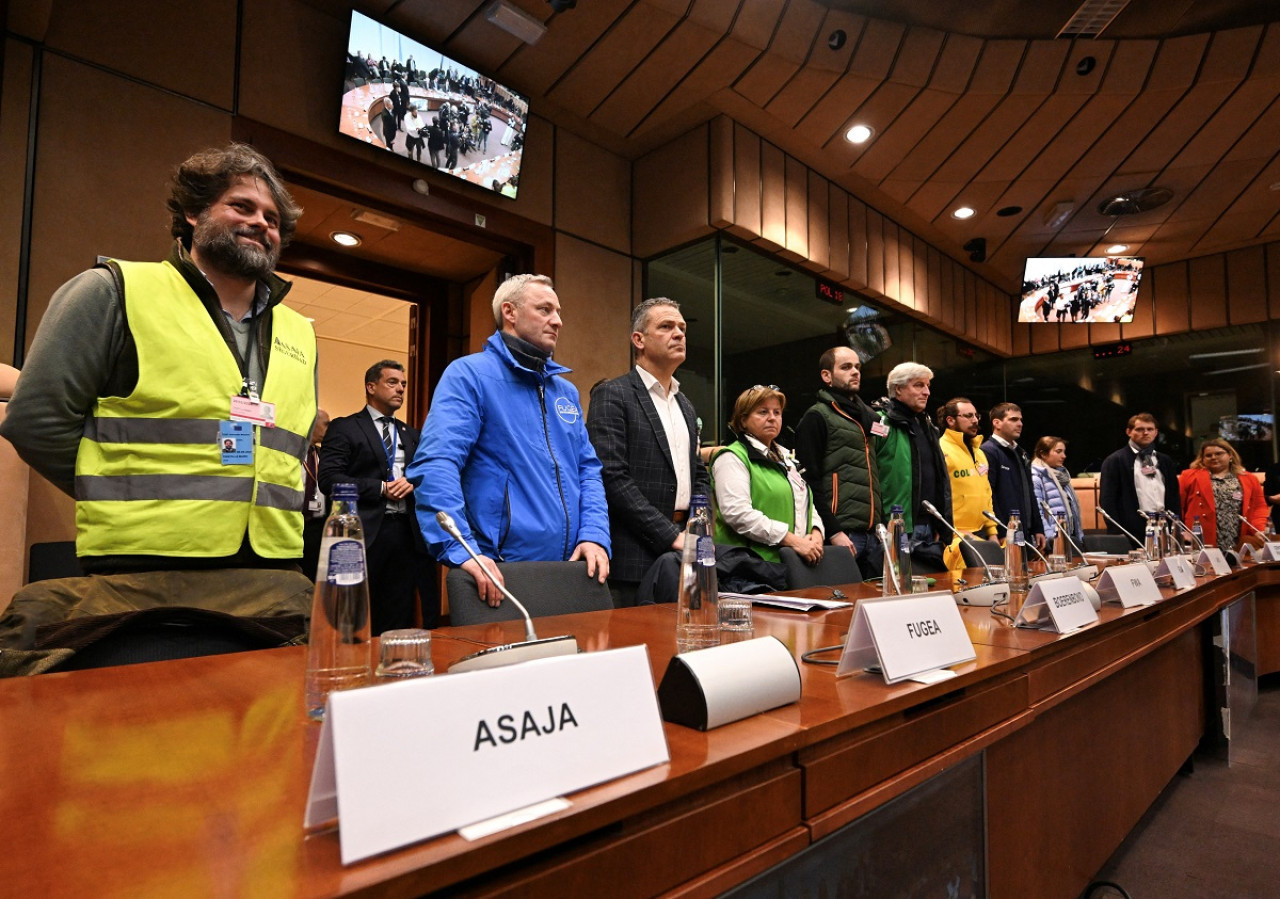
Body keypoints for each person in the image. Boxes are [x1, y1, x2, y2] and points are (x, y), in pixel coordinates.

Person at [0, 144, 316, 654]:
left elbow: (290, 449)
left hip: (273, 585)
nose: (261, 223)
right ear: (192, 214)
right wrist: (119, 491)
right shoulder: (111, 292)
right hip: (140, 579)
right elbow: (35, 421)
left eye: (272, 217)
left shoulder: (302, 333)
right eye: (242, 206)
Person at [409, 274, 610, 607]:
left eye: (558, 312)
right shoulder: (469, 375)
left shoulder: (566, 392)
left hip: (571, 571)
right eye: (544, 309)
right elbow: (437, 462)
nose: (557, 321)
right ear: (509, 313)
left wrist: (594, 535)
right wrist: (463, 550)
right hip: (502, 571)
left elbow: (587, 470)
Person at [587, 298, 708, 607]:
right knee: (636, 650)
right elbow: (612, 478)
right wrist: (671, 536)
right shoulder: (613, 395)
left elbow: (700, 476)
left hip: (688, 549)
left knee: (687, 646)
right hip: (635, 559)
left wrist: (698, 532)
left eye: (682, 328)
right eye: (666, 326)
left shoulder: (685, 404)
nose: (679, 333)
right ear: (638, 340)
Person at [319, 361, 438, 632]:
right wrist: (381, 488)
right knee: (354, 614)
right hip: (364, 532)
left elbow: (429, 475)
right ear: (371, 387)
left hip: (407, 533)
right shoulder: (345, 427)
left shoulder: (412, 434)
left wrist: (412, 482)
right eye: (392, 382)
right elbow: (329, 479)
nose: (400, 389)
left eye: (404, 384)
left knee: (400, 613)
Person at [794, 346, 883, 577]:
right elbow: (808, 482)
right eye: (846, 367)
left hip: (873, 533)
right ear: (827, 376)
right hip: (841, 533)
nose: (855, 372)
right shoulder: (817, 416)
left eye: (857, 367)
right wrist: (833, 531)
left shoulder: (869, 418)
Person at [710, 386, 823, 564]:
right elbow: (738, 514)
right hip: (750, 568)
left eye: (777, 412)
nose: (772, 418)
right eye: (763, 412)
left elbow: (804, 502)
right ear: (743, 420)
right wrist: (793, 541)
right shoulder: (732, 457)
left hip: (793, 563)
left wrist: (816, 533)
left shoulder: (786, 457)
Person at [873, 362, 951, 571]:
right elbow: (868, 475)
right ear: (898, 389)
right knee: (896, 592)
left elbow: (940, 479)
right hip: (896, 526)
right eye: (918, 385)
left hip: (928, 526)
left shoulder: (928, 425)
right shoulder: (880, 422)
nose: (926, 392)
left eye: (927, 386)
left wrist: (940, 525)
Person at [1099, 413, 1181, 541]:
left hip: (1164, 525)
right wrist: (1117, 533)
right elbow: (1108, 500)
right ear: (1128, 432)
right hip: (1131, 529)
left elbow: (1174, 497)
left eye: (1150, 429)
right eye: (1140, 429)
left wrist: (1176, 525)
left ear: (1156, 432)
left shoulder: (1165, 460)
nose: (1145, 433)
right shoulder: (1115, 460)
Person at [1178, 439, 1267, 551]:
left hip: (1237, 536)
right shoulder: (1189, 476)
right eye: (1208, 455)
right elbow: (1178, 505)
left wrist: (1259, 529)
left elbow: (1259, 507)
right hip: (1201, 536)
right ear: (1202, 459)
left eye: (1219, 453)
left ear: (1230, 455)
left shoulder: (1249, 479)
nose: (1213, 457)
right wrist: (1181, 530)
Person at [981, 403, 1045, 547]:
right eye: (1013, 420)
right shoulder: (987, 451)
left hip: (1024, 531)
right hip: (1006, 533)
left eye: (1021, 420)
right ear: (996, 423)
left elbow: (1030, 492)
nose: (1020, 424)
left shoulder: (1021, 452)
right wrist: (1001, 532)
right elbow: (989, 495)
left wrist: (1037, 528)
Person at [936, 398, 998, 543]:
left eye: (976, 415)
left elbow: (986, 494)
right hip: (955, 534)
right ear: (950, 420)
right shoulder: (941, 450)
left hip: (982, 532)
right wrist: (945, 530)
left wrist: (992, 532)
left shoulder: (979, 453)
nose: (975, 420)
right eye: (969, 416)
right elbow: (936, 496)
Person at [1030, 436, 1085, 553]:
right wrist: (1051, 539)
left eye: (1064, 452)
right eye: (1058, 452)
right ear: (1043, 454)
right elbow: (1038, 511)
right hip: (1051, 543)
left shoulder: (1061, 475)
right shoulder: (1035, 476)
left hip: (1067, 537)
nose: (1064, 456)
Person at [301, 408, 330, 581]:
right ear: (312, 424)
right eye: (326, 424)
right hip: (296, 525)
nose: (329, 428)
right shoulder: (292, 456)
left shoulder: (323, 456)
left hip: (318, 528)